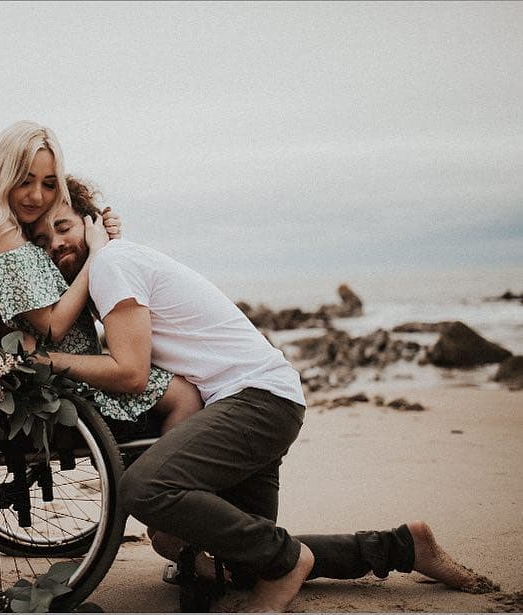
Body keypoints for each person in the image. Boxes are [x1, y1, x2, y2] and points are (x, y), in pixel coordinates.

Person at [30, 180, 499, 612]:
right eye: (45, 243)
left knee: (144, 490)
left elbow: (131, 373)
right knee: (252, 555)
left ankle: (288, 563)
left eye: (64, 227)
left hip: (255, 401)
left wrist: (43, 362)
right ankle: (404, 546)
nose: (57, 246)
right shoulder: (111, 267)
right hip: (261, 399)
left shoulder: (114, 262)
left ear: (91, 224)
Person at [0, 121, 202, 431]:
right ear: (3, 176)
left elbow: (60, 289)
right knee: (185, 397)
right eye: (25, 181)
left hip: (66, 369)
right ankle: (156, 479)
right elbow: (52, 325)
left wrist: (98, 237)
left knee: (174, 386)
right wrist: (97, 255)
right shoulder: (4, 234)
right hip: (60, 381)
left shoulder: (16, 231)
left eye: (48, 184)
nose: (37, 196)